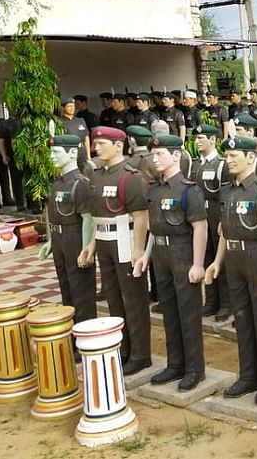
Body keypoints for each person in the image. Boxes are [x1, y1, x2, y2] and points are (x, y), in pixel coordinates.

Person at [205, 136, 257, 404]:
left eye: (234, 156)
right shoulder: (226, 191)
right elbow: (224, 232)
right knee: (241, 318)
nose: (229, 161)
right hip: (234, 259)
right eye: (227, 156)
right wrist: (217, 262)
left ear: (250, 158)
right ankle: (248, 375)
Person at [135, 134, 208, 391]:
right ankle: (175, 363)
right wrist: (146, 254)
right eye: (153, 155)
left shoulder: (189, 189)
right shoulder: (154, 189)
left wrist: (198, 264)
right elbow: (154, 227)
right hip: (161, 255)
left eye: (160, 155)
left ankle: (194, 369)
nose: (155, 159)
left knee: (188, 313)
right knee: (169, 310)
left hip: (182, 252)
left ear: (176, 155)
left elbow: (200, 227)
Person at [78, 126, 152, 375]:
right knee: (113, 297)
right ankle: (123, 347)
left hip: (125, 238)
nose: (96, 147)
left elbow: (141, 217)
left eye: (102, 143)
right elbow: (97, 216)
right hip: (104, 241)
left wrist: (139, 249)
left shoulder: (130, 177)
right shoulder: (96, 176)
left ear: (119, 146)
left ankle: (141, 354)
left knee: (133, 298)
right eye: (95, 143)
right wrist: (90, 245)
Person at [39, 134, 96, 333]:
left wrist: (86, 247)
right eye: (51, 151)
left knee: (81, 291)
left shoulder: (80, 183)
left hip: (75, 236)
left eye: (56, 152)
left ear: (72, 153)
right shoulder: (58, 182)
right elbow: (53, 214)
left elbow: (88, 218)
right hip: (59, 238)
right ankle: (71, 334)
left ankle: (86, 334)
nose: (51, 156)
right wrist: (50, 241)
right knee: (66, 288)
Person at [192, 124, 231, 321]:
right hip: (201, 214)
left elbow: (224, 194)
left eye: (202, 138)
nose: (198, 141)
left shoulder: (221, 164)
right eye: (196, 138)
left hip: (216, 212)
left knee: (219, 258)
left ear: (213, 140)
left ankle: (225, 303)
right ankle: (210, 301)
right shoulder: (195, 164)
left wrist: (223, 219)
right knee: (205, 257)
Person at [60, 97, 92, 167]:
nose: (72, 108)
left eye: (73, 106)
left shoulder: (80, 120)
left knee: (84, 174)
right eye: (69, 106)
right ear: (63, 108)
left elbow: (86, 138)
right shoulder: (60, 122)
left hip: (82, 152)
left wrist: (88, 156)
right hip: (69, 153)